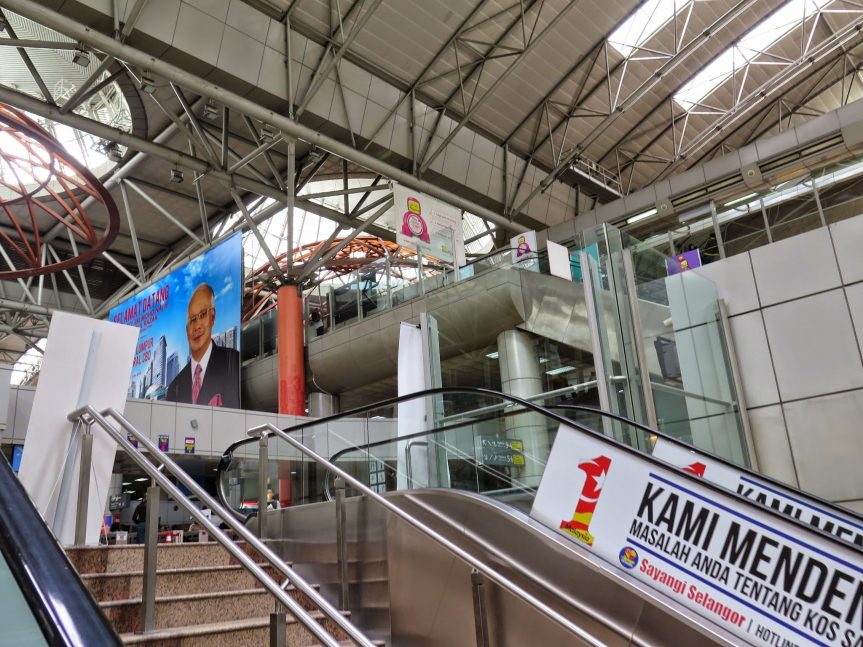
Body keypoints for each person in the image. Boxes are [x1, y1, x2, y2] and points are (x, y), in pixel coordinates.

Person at [166, 283, 240, 408]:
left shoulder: (233, 361)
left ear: (212, 317)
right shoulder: (174, 387)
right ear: (186, 329)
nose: (197, 326)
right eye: (192, 319)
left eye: (202, 315)